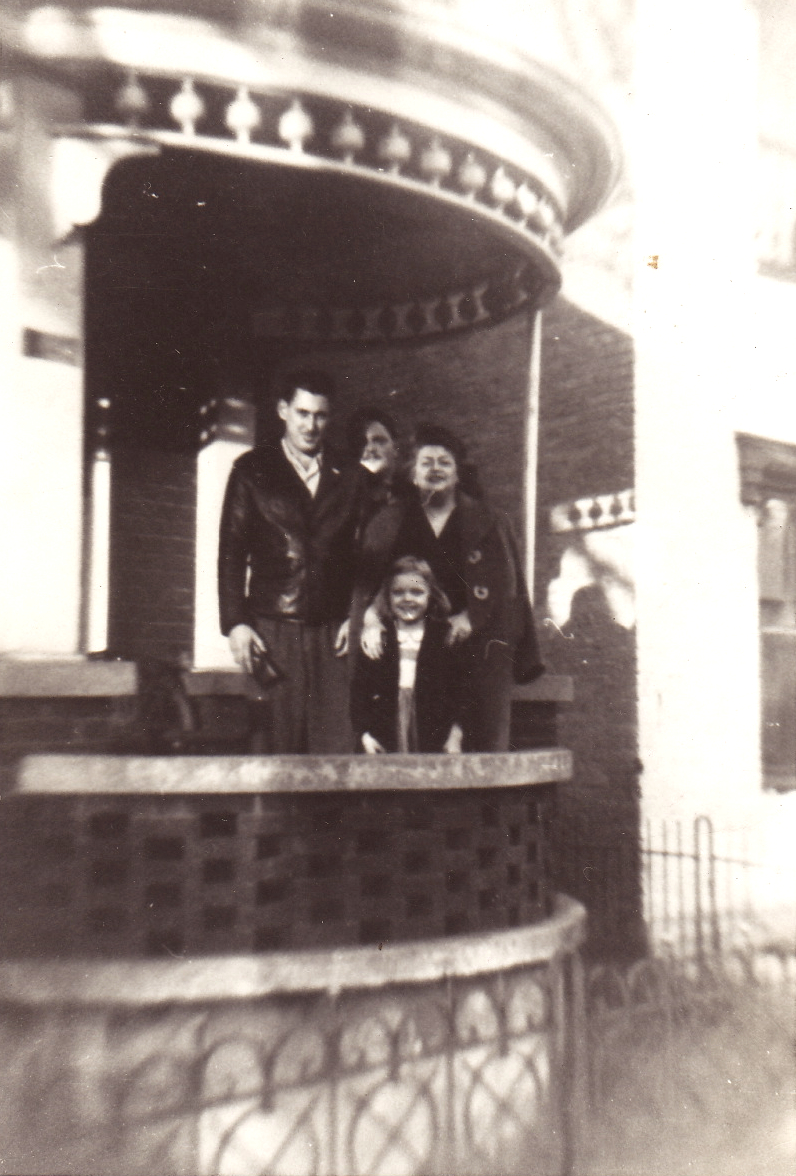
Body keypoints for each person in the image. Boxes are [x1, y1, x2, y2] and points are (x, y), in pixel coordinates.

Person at [360, 422, 544, 752]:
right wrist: (371, 617)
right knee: (412, 739)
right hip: (414, 648)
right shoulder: (389, 521)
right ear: (412, 473)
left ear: (458, 474)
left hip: (475, 645)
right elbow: (372, 580)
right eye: (426, 462)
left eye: (444, 462)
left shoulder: (490, 521)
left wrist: (471, 617)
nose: (435, 470)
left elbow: (507, 586)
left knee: (476, 744)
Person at [217, 370, 359, 753]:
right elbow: (231, 553)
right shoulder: (251, 470)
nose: (311, 425)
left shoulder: (350, 476)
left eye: (320, 415)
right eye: (302, 413)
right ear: (283, 411)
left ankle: (330, 817)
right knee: (276, 748)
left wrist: (358, 613)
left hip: (334, 634)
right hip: (272, 630)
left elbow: (365, 554)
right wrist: (236, 624)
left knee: (336, 750)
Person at [350, 556, 463, 754]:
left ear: (430, 595)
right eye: (398, 593)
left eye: (417, 592)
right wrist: (364, 735)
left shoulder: (443, 636)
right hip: (387, 725)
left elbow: (461, 691)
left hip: (431, 726)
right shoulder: (378, 638)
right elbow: (359, 693)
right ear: (388, 597)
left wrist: (455, 735)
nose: (407, 599)